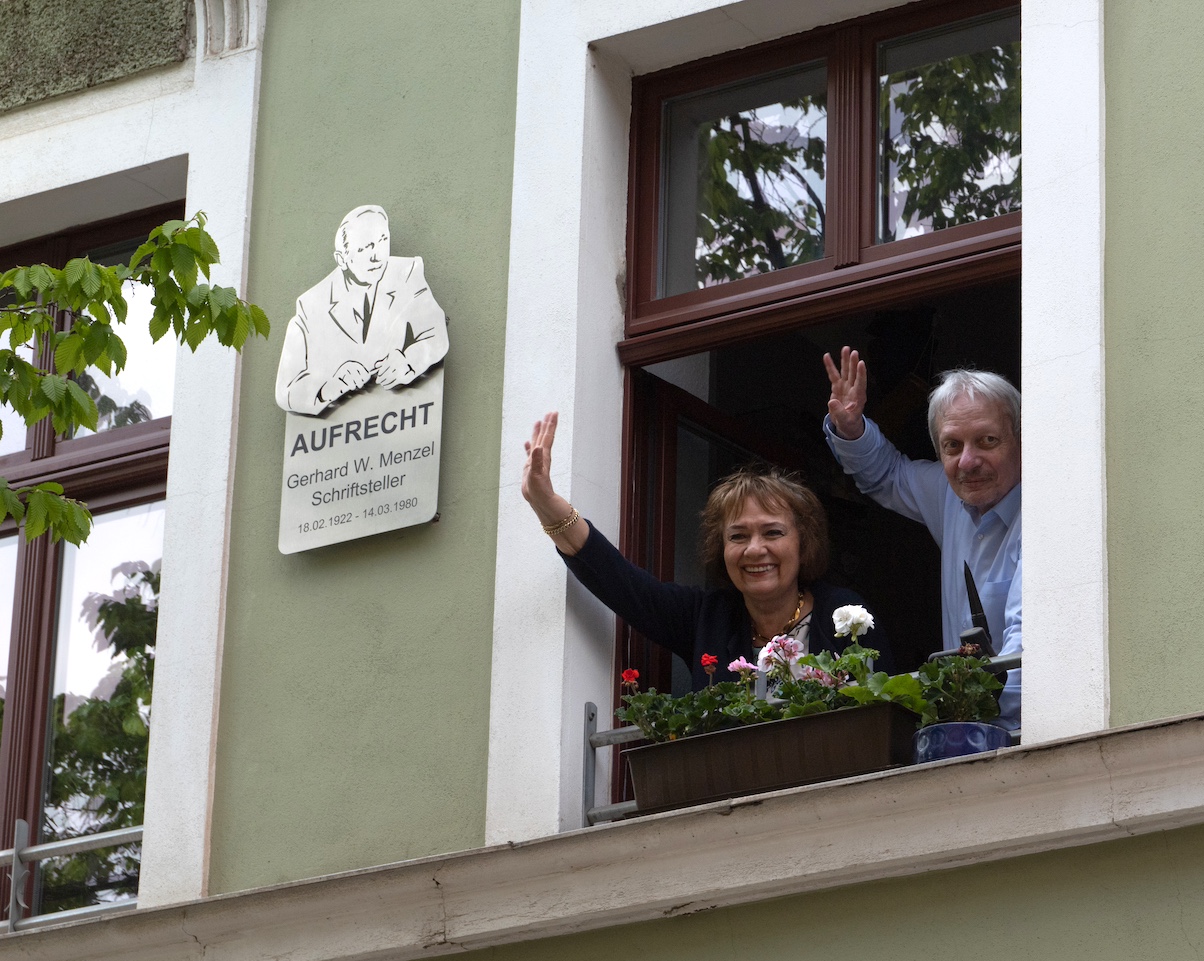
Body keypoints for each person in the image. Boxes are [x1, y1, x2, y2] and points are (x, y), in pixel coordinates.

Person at [521, 412, 885, 686]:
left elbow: (888, 711)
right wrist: (548, 506)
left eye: (772, 533)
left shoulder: (845, 615)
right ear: (721, 547)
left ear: (803, 541)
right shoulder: (705, 618)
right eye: (738, 536)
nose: (755, 549)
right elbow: (619, 581)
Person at [823, 348, 1022, 728]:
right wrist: (852, 429)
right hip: (969, 735)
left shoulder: (1047, 515)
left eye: (987, 441)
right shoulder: (950, 493)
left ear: (1021, 441)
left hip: (1025, 736)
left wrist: (944, 713)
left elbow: (1026, 652)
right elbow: (887, 476)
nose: (967, 461)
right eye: (952, 445)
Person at [275, 205, 449, 415]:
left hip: (400, 417)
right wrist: (331, 384)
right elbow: (286, 390)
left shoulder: (407, 273)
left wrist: (408, 361)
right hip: (342, 429)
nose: (377, 256)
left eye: (383, 240)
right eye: (364, 248)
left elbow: (436, 334)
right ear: (342, 259)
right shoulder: (311, 305)